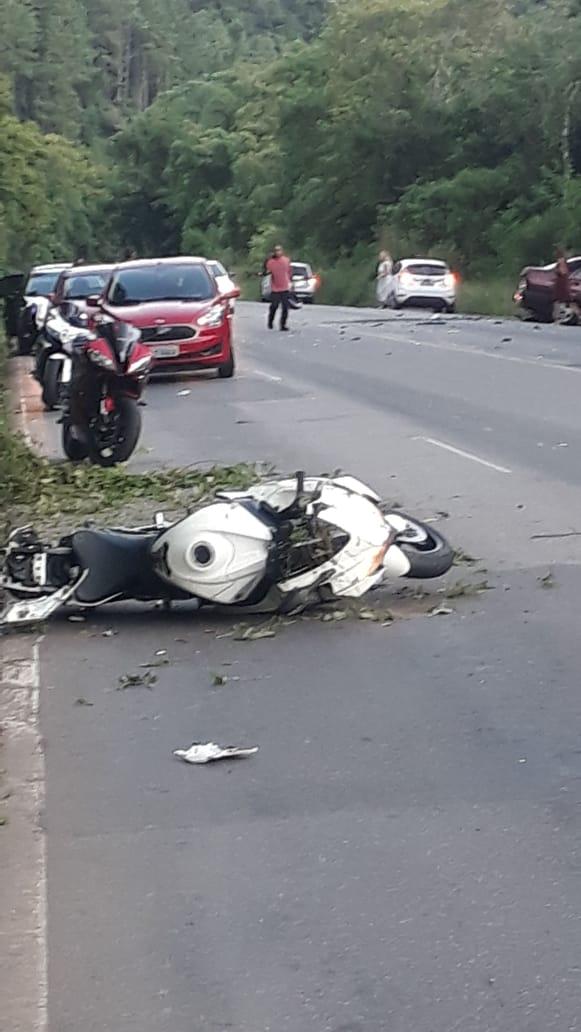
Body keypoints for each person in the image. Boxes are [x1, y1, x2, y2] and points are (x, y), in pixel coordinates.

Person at [266, 244, 292, 330]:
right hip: (275, 288)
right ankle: (270, 321)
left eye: (279, 250)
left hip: (285, 287)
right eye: (276, 251)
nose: (278, 252)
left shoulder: (286, 260)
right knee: (274, 306)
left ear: (282, 251)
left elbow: (289, 272)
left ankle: (283, 325)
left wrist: (290, 283)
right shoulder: (270, 262)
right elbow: (267, 273)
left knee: (285, 307)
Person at [553, 247, 570, 323]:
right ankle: (559, 316)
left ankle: (559, 316)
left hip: (561, 284)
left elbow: (563, 272)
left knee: (559, 300)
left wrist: (556, 271)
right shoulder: (562, 261)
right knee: (560, 301)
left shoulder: (561, 261)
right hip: (561, 284)